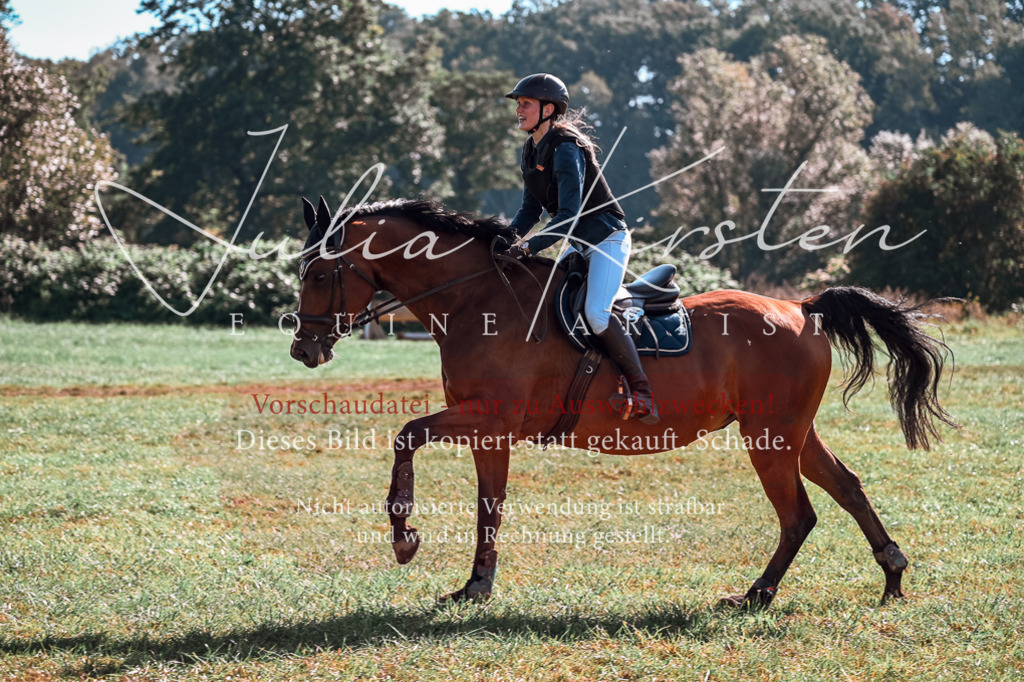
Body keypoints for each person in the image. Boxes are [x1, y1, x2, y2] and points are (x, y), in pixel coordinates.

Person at [502, 73, 658, 425]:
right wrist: (509, 237)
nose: (519, 110)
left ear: (548, 108)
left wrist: (529, 248)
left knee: (597, 314)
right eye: (518, 104)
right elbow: (531, 209)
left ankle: (643, 392)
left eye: (525, 103)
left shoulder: (565, 147)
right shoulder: (531, 149)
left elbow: (570, 214)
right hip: (580, 246)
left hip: (607, 240)